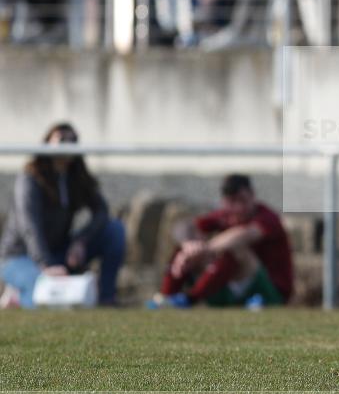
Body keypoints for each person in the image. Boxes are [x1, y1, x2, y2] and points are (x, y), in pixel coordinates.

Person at [0, 122, 125, 308]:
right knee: (44, 295)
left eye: (73, 140)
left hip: (58, 252)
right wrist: (45, 265)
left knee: (114, 230)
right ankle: (17, 295)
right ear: (47, 142)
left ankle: (106, 298)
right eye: (61, 139)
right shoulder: (30, 179)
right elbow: (29, 227)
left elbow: (101, 211)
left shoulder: (76, 178)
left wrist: (81, 241)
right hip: (20, 256)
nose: (67, 144)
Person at [153, 174, 293, 308]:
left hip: (272, 293)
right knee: (186, 248)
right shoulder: (224, 216)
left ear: (252, 196)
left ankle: (190, 299)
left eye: (242, 200)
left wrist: (202, 250)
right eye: (232, 202)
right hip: (235, 289)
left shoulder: (267, 218)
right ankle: (166, 299)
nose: (238, 208)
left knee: (235, 249)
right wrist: (187, 245)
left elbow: (243, 234)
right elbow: (184, 227)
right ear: (224, 201)